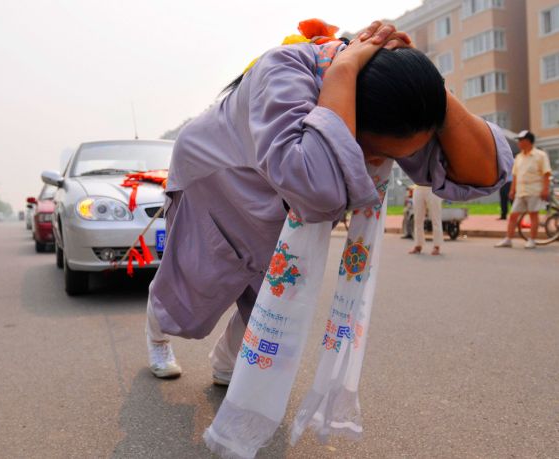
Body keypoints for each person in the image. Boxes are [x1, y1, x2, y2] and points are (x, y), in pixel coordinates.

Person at [145, 20, 512, 383]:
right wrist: (344, 71)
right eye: (374, 154)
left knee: (271, 296)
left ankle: (227, 362)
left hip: (283, 202)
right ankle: (157, 336)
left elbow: (482, 171)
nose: (378, 165)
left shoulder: (383, 102)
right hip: (217, 186)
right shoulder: (284, 69)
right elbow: (316, 188)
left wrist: (425, 83)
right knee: (190, 288)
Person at [495, 130, 552, 249]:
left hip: (534, 190)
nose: (519, 143)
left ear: (528, 141)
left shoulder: (540, 155)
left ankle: (532, 240)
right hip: (521, 191)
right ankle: (508, 239)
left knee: (533, 215)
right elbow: (515, 175)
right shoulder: (519, 157)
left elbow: (546, 174)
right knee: (513, 216)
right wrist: (512, 190)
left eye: (521, 140)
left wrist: (545, 189)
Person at [408, 185, 444, 255]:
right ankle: (418, 245)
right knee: (418, 219)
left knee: (436, 219)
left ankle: (437, 246)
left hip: (433, 188)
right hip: (418, 187)